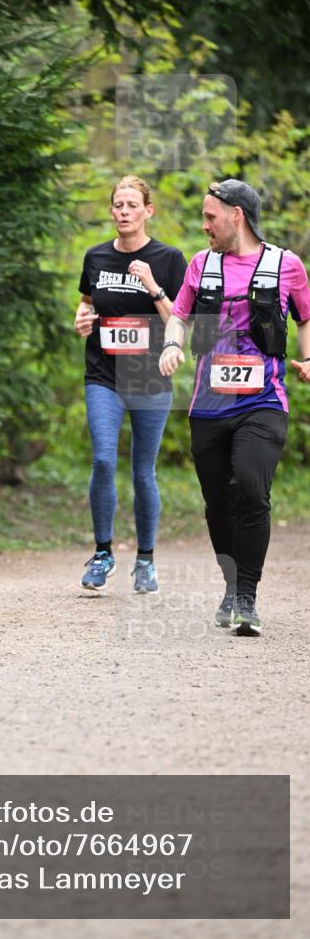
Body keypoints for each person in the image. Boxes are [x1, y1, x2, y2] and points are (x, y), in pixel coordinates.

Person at [159, 178, 310, 636]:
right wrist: (171, 345)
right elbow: (181, 315)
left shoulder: (286, 265)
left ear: (236, 216)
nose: (204, 225)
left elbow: (305, 317)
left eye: (210, 217)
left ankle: (247, 595)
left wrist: (307, 358)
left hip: (264, 400)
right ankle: (230, 587)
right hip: (208, 406)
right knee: (217, 502)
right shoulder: (201, 265)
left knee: (250, 486)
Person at [74, 176, 187, 594]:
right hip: (103, 375)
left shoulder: (169, 258)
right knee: (103, 460)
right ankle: (103, 553)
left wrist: (153, 286)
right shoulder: (96, 257)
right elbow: (85, 306)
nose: (123, 211)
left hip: (149, 377)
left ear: (147, 211)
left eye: (131, 205)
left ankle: (146, 560)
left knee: (143, 471)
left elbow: (181, 320)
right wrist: (81, 320)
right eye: (117, 204)